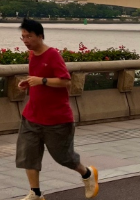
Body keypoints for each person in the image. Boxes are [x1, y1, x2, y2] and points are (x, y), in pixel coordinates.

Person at [15, 18, 99, 199]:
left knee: (64, 157)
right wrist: (28, 83)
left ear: (40, 36)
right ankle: (35, 193)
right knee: (28, 155)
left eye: (29, 36)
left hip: (56, 119)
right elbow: (39, 79)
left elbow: (65, 81)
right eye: (23, 37)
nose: (26, 40)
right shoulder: (32, 55)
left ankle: (87, 174)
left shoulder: (52, 55)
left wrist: (41, 80)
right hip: (32, 116)